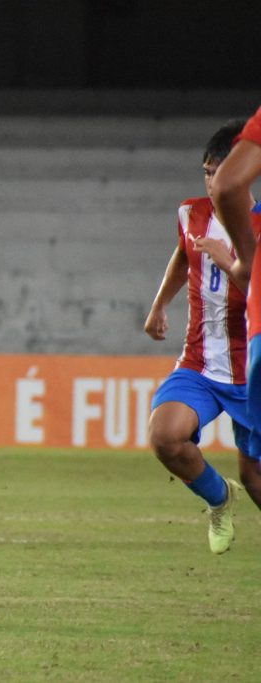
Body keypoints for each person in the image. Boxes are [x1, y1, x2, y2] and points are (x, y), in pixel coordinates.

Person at [144, 120, 261, 554]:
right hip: (200, 362)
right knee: (164, 436)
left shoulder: (259, 226)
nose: (212, 182)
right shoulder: (190, 213)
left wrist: (230, 261)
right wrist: (159, 305)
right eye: (207, 172)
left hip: (250, 369)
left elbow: (258, 291)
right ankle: (218, 497)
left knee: (256, 479)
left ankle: (240, 489)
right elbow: (183, 253)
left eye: (219, 171)